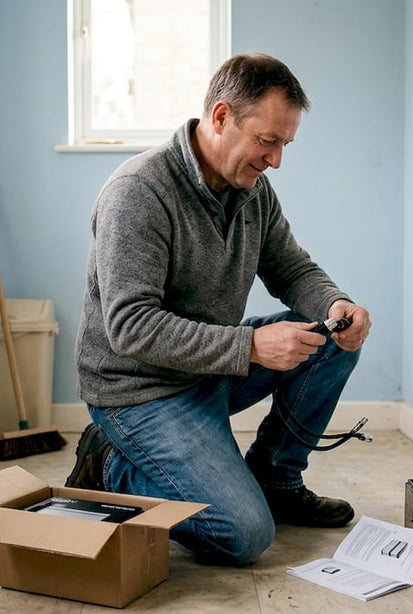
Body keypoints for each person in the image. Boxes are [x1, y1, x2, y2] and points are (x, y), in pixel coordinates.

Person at [67, 53, 371, 566]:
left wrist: (337, 303)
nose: (276, 160)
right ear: (222, 117)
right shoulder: (137, 193)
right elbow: (130, 327)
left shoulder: (253, 190)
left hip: (208, 369)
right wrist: (250, 345)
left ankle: (276, 477)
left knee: (330, 344)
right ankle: (111, 463)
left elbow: (292, 269)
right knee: (244, 534)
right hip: (140, 393)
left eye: (285, 144)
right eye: (267, 141)